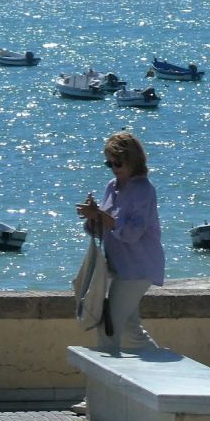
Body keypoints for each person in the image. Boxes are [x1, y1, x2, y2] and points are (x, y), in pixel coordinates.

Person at [75, 130, 164, 354]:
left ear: (133, 161)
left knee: (108, 326)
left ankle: (102, 388)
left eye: (118, 163)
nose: (114, 168)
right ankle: (162, 375)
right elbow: (101, 231)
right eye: (109, 164)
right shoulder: (111, 187)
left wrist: (102, 217)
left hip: (138, 268)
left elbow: (132, 234)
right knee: (131, 330)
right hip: (119, 266)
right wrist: (93, 217)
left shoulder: (144, 191)